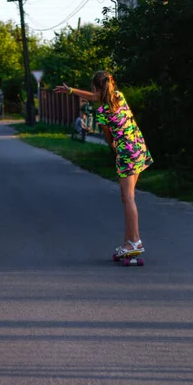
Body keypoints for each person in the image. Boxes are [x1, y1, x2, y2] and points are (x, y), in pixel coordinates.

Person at [55, 71, 153, 256]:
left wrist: (114, 145)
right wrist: (71, 91)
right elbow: (95, 96)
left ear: (96, 87)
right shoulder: (119, 97)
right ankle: (129, 241)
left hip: (126, 154)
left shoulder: (102, 113)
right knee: (127, 198)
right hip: (139, 148)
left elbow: (109, 138)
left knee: (129, 198)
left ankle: (134, 242)